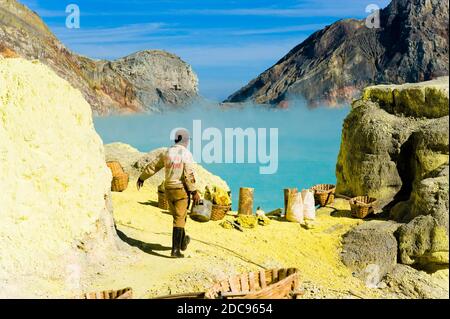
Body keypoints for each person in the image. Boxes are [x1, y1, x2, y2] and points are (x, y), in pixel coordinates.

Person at [136, 129, 201, 258]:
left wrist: (142, 177)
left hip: (168, 189)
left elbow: (153, 166)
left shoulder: (167, 152)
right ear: (185, 141)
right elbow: (188, 174)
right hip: (180, 189)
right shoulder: (186, 154)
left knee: (178, 217)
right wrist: (194, 191)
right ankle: (176, 250)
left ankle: (183, 242)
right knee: (179, 218)